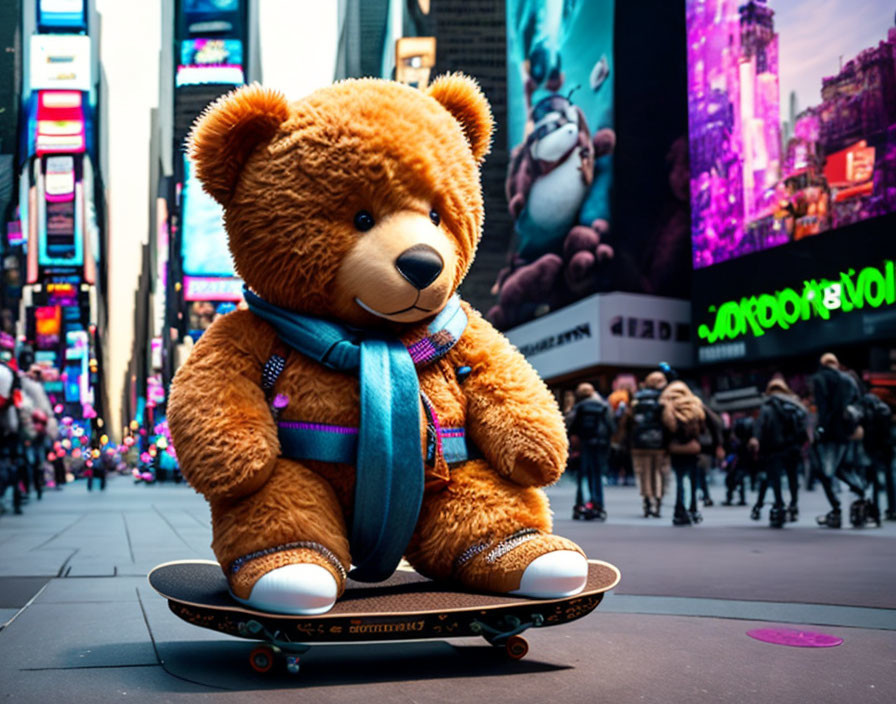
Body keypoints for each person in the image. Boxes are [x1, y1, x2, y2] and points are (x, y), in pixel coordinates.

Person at [812, 353, 863, 528]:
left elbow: (823, 408)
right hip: (846, 432)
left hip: (830, 433)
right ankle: (859, 492)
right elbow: (858, 403)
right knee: (840, 468)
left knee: (825, 472)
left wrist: (820, 430)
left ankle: (836, 508)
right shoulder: (848, 379)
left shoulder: (820, 378)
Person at [750, 378, 808, 527]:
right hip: (793, 448)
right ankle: (794, 504)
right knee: (792, 477)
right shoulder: (795, 404)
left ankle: (779, 505)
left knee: (775, 479)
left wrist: (756, 439)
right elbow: (803, 426)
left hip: (774, 448)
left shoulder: (768, 406)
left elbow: (760, 425)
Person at [660, 379, 706, 525]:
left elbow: (667, 429)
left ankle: (680, 509)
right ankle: (692, 508)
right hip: (693, 448)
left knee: (679, 480)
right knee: (693, 480)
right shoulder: (695, 405)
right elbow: (703, 427)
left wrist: (666, 448)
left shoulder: (669, 406)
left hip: (676, 448)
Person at [567, 383, 615, 521]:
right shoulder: (603, 406)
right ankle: (598, 503)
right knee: (597, 475)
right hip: (600, 445)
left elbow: (571, 426)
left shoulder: (579, 407)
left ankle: (583, 503)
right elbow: (611, 426)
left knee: (584, 474)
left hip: (584, 444)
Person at [629, 371, 669, 517]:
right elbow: (667, 419)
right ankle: (657, 503)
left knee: (643, 473)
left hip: (639, 442)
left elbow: (630, 419)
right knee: (659, 472)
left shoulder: (637, 398)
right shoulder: (663, 398)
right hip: (659, 442)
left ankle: (647, 503)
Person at [859, 388, 893, 526]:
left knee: (874, 482)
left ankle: (876, 511)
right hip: (886, 448)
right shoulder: (885, 410)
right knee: (888, 478)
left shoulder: (869, 411)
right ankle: (891, 509)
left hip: (874, 449)